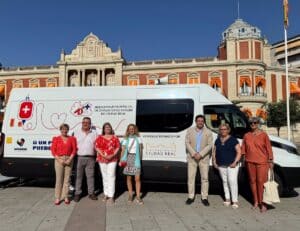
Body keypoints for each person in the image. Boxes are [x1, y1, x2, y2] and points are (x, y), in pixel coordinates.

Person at [241, 117, 273, 213]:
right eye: (251, 123)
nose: (253, 124)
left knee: (261, 182)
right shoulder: (246, 135)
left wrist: (270, 160)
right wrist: (243, 159)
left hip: (262, 162)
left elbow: (269, 149)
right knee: (252, 182)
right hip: (249, 161)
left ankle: (263, 203)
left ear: (258, 124)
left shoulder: (264, 135)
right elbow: (243, 149)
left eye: (255, 123)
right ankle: (256, 201)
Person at [185, 114, 213, 206]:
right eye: (198, 121)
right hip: (192, 158)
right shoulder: (190, 131)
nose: (200, 122)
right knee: (191, 178)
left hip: (203, 158)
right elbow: (187, 143)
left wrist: (200, 154)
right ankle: (190, 197)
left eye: (202, 121)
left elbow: (209, 145)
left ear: (204, 122)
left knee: (205, 179)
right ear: (196, 121)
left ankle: (204, 197)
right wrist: (194, 153)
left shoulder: (208, 132)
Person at [212, 124, 241, 209]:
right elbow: (214, 151)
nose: (223, 131)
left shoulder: (233, 140)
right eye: (221, 129)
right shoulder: (217, 140)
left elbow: (239, 152)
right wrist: (214, 161)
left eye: (225, 129)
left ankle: (235, 201)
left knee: (232, 181)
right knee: (225, 182)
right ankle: (227, 199)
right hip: (221, 165)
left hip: (232, 165)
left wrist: (235, 162)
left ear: (228, 130)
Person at [50, 123, 77, 205]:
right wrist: (59, 160)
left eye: (66, 129)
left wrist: (70, 159)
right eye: (63, 129)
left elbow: (74, 150)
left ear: (68, 130)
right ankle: (58, 198)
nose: (64, 130)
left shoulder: (72, 139)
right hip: (59, 160)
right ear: (60, 130)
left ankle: (65, 197)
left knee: (67, 180)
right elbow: (53, 151)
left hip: (69, 159)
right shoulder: (56, 139)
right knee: (59, 180)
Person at [73, 117, 98, 202]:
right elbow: (72, 145)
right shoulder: (76, 132)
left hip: (91, 158)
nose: (85, 123)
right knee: (78, 177)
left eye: (87, 122)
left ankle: (91, 193)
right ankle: (77, 193)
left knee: (90, 177)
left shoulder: (94, 133)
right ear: (82, 123)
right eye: (84, 122)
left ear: (90, 124)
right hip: (79, 157)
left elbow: (97, 145)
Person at [95, 122, 120, 204]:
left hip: (112, 159)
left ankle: (111, 196)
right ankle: (106, 194)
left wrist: (112, 155)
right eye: (106, 127)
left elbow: (118, 147)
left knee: (111, 176)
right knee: (104, 177)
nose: (107, 129)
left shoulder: (115, 138)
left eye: (109, 127)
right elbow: (96, 147)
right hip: (102, 159)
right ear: (103, 129)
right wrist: (103, 155)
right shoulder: (100, 137)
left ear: (111, 129)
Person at [120, 124, 143, 204]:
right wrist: (121, 160)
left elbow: (140, 150)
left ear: (135, 129)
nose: (131, 130)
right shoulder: (125, 139)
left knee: (137, 178)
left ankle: (138, 196)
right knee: (129, 178)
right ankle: (130, 195)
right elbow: (123, 150)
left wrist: (140, 160)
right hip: (128, 158)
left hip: (136, 159)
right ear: (128, 130)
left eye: (132, 129)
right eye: (130, 129)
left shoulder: (138, 138)